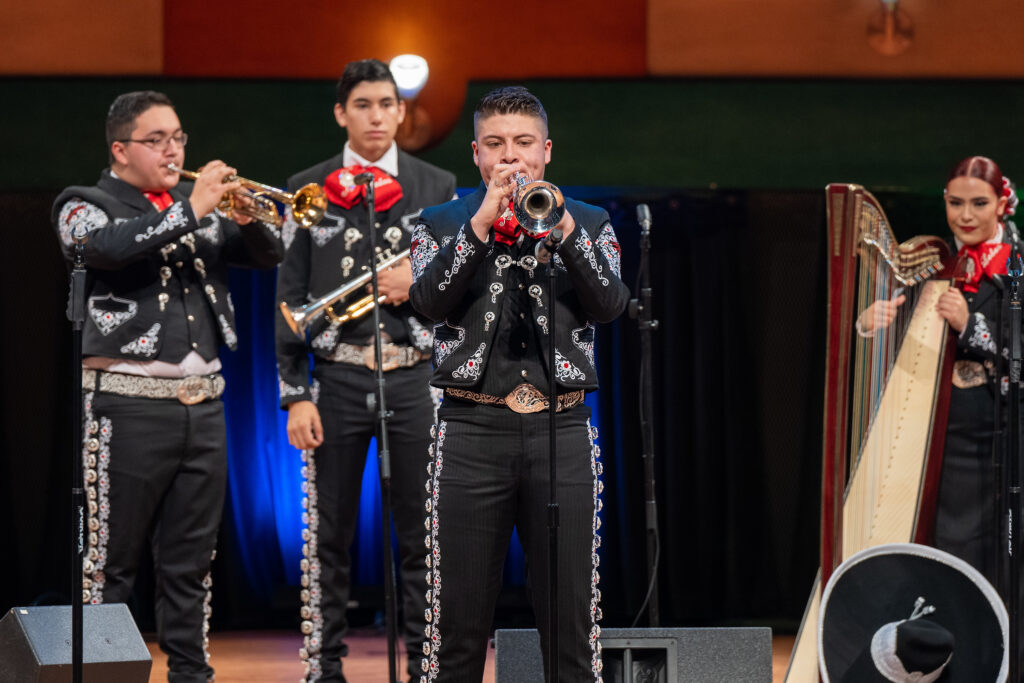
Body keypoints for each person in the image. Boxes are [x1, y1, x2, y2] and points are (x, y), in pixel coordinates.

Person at [51, 90, 284, 682]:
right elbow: (105, 249)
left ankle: (191, 674)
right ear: (121, 149)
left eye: (178, 137)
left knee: (191, 563)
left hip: (203, 406)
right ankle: (102, 675)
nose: (173, 150)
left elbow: (269, 253)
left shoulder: (193, 202)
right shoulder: (86, 203)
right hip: (124, 406)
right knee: (108, 564)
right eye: (157, 140)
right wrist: (193, 208)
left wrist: (244, 217)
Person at [408, 86, 630, 682]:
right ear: (477, 154)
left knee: (572, 626)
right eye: (497, 145)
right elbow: (429, 302)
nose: (511, 158)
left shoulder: (588, 221)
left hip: (561, 431)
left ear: (546, 151)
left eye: (524, 144)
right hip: (469, 430)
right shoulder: (441, 222)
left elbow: (610, 304)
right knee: (454, 627)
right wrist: (481, 224)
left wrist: (559, 229)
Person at [275, 59, 457, 683]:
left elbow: (459, 285)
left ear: (401, 111)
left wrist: (421, 284)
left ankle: (427, 665)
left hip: (413, 376)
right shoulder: (309, 186)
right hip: (339, 379)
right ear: (341, 113)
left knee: (421, 533)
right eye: (363, 104)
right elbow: (290, 297)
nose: (377, 115)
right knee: (328, 536)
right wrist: (297, 393)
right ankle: (323, 668)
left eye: (386, 103)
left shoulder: (438, 184)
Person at [859, 155, 1022, 588]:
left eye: (979, 204)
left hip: (993, 443)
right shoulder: (935, 263)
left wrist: (971, 326)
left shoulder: (1017, 268)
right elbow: (911, 343)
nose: (965, 215)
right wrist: (867, 326)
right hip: (932, 434)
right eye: (955, 203)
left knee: (981, 564)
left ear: (1002, 205)